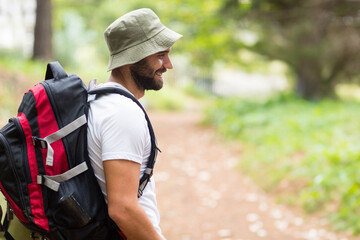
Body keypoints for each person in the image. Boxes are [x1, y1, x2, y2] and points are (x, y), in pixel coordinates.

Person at [87, 8, 182, 240]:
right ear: (133, 57)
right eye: (160, 55)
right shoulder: (122, 113)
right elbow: (123, 209)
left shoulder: (97, 100)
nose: (168, 65)